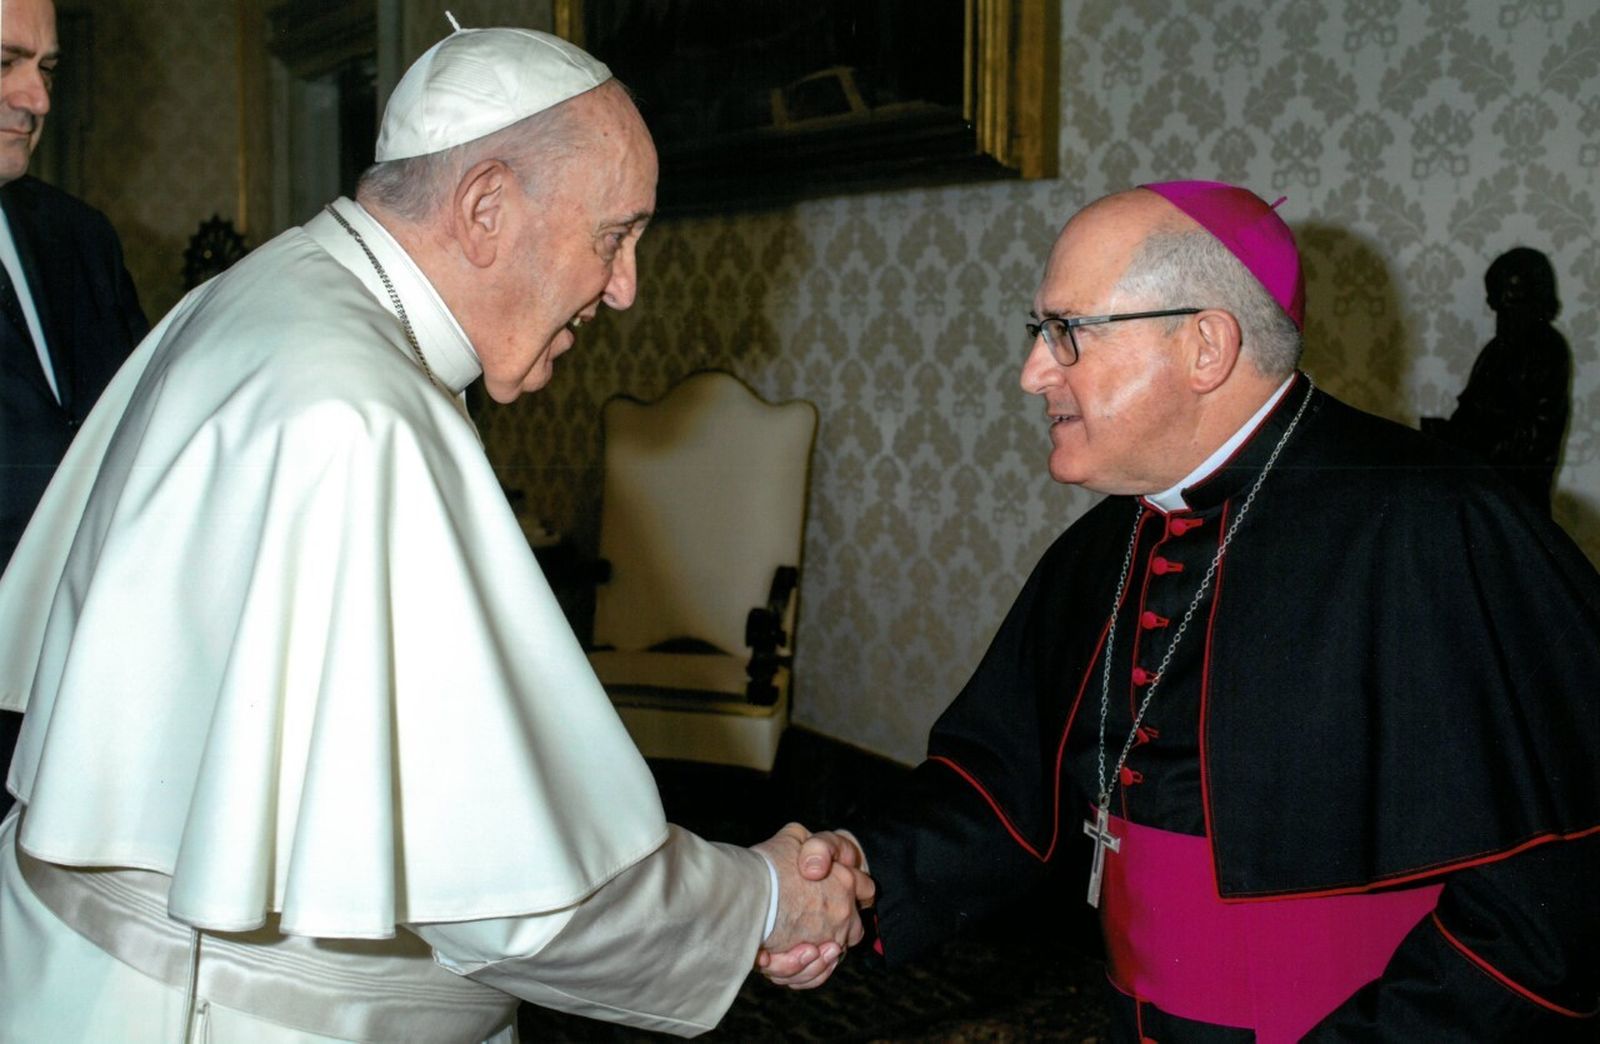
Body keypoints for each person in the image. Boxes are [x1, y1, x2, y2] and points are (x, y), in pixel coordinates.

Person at [0, 21, 869, 1042]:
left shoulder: (260, 301)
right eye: (615, 235)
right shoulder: (360, 410)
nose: (626, 289)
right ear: (487, 205)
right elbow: (518, 902)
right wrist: (762, 898)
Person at [774, 181, 1600, 1039]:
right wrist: (858, 873)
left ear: (1206, 345)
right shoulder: (1104, 546)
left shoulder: (1439, 526)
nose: (1032, 373)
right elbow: (1000, 790)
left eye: (1067, 332)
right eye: (1038, 333)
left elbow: (1550, 908)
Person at [0, 0, 148, 818]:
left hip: (83, 730)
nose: (38, 100)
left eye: (47, 68)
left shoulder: (80, 238)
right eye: (5, 63)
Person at [1421, 246, 1572, 514]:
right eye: (1497, 301)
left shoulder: (1548, 352)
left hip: (1516, 505)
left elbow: (1530, 444)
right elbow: (1468, 414)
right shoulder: (1495, 352)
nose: (1503, 310)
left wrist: (1466, 444)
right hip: (1479, 498)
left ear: (1537, 298)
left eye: (1513, 300)